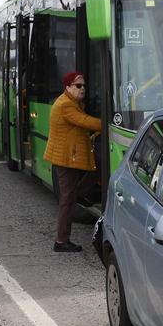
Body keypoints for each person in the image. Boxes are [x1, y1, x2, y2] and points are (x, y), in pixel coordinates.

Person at [42, 71, 102, 253]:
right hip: (65, 158)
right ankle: (61, 241)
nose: (82, 88)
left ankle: (80, 194)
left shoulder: (72, 102)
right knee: (67, 200)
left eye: (84, 85)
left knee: (95, 171)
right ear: (68, 87)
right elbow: (84, 121)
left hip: (71, 156)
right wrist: (107, 123)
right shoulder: (66, 105)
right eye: (78, 86)